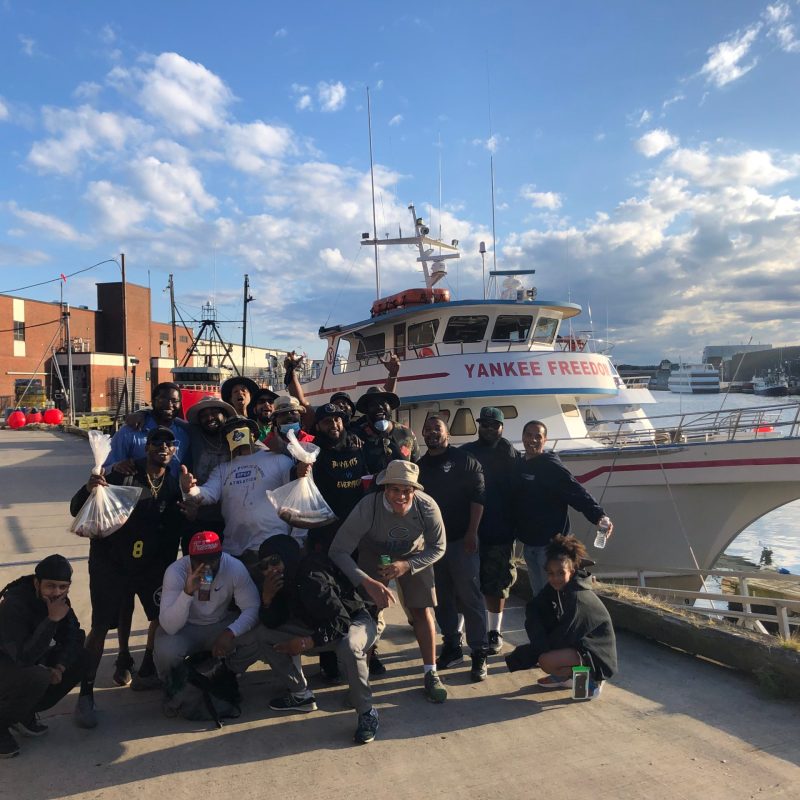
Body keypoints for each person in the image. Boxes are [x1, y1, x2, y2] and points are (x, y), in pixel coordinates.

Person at [71, 426, 184, 727]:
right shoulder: (122, 473)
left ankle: (145, 668)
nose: (163, 447)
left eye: (169, 443)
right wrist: (89, 487)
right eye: (156, 442)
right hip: (111, 562)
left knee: (159, 616)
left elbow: (172, 528)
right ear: (146, 447)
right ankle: (86, 693)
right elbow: (76, 509)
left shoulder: (173, 484)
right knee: (101, 625)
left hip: (149, 564)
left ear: (175, 450)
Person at [233, 535, 381, 744]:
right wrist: (267, 599)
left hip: (356, 622)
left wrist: (306, 642)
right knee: (263, 635)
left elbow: (342, 620)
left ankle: (367, 713)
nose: (270, 569)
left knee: (349, 647)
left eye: (275, 562)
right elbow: (273, 623)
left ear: (287, 556)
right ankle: (300, 694)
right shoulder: (280, 581)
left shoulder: (311, 575)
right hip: (317, 627)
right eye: (264, 566)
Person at [329, 460, 447, 703]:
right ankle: (362, 678)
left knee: (422, 609)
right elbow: (338, 550)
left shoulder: (427, 507)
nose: (401, 496)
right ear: (385, 489)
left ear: (415, 491)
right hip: (373, 552)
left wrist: (407, 565)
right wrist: (366, 582)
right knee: (368, 611)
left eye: (407, 490)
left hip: (414, 554)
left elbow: (439, 547)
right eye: (395, 490)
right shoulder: (368, 507)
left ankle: (431, 672)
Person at [418, 416, 489, 681]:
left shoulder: (465, 460)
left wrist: (472, 532)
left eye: (437, 428)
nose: (432, 432)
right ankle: (451, 645)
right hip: (433, 546)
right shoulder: (419, 466)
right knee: (443, 598)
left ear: (447, 433)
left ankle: (479, 652)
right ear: (423, 435)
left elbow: (478, 497)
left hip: (462, 540)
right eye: (428, 429)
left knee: (470, 598)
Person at [505, 535, 617, 699]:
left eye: (560, 573)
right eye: (550, 573)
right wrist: (537, 642)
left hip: (598, 654)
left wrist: (529, 653)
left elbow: (564, 635)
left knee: (545, 660)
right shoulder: (556, 588)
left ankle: (593, 680)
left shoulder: (578, 597)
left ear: (571, 572)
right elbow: (534, 608)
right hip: (579, 643)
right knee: (543, 648)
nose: (554, 578)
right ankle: (566, 677)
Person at [0, 555, 88, 759]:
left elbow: (74, 636)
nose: (56, 592)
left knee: (82, 657)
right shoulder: (14, 604)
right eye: (50, 586)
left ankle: (21, 714)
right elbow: (22, 657)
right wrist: (51, 620)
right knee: (38, 676)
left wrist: (60, 666)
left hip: (23, 666)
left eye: (62, 587)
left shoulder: (60, 601)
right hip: (7, 665)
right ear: (36, 583)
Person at [514, 420, 613, 596]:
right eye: (529, 435)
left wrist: (599, 516)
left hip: (550, 547)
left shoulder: (551, 466)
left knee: (556, 596)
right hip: (529, 545)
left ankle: (561, 623)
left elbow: (576, 491)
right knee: (540, 597)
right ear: (522, 437)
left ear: (545, 440)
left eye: (538, 436)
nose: (533, 440)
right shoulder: (521, 464)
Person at [180, 416, 294, 562]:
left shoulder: (279, 460)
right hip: (234, 551)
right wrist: (190, 489)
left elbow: (296, 499)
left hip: (273, 546)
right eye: (230, 431)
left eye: (242, 428)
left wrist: (298, 539)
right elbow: (208, 494)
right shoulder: (222, 469)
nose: (236, 433)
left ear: (253, 434)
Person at [154, 531, 260, 680]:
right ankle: (173, 683)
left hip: (219, 624)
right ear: (189, 558)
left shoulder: (234, 567)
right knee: (166, 651)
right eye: (200, 561)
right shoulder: (175, 571)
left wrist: (230, 632)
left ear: (221, 556)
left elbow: (253, 608)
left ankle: (227, 671)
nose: (207, 567)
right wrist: (187, 593)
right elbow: (170, 627)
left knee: (258, 636)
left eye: (213, 560)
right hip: (185, 628)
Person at [461, 407, 519, 655]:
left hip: (500, 532)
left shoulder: (511, 454)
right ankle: (457, 632)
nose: (488, 428)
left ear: (502, 427)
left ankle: (494, 630)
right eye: (484, 424)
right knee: (464, 584)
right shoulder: (465, 453)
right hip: (467, 531)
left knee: (497, 585)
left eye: (493, 425)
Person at [181, 396, 238, 552]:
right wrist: (143, 412)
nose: (209, 418)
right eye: (204, 415)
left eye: (214, 412)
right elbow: (169, 419)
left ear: (224, 416)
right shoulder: (194, 432)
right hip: (198, 515)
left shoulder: (235, 433)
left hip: (229, 517)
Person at [106, 381, 191, 478]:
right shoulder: (129, 432)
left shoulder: (184, 434)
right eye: (163, 399)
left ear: (180, 404)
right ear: (153, 401)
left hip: (173, 491)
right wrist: (115, 467)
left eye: (174, 401)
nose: (169, 404)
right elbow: (106, 467)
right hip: (139, 491)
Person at [351, 387, 419, 474]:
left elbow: (417, 466)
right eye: (373, 404)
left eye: (383, 403)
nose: (379, 407)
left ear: (390, 407)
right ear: (366, 411)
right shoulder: (357, 435)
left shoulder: (406, 433)